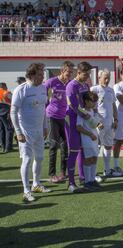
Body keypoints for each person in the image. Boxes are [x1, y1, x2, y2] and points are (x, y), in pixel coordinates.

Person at [10, 63, 51, 202]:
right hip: (25, 131)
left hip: (39, 131)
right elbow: (13, 112)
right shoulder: (21, 90)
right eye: (40, 74)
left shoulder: (43, 88)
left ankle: (36, 184)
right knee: (27, 159)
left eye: (43, 74)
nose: (42, 77)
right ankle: (26, 191)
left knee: (39, 158)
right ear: (31, 75)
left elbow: (43, 109)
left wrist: (45, 126)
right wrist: (18, 132)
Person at [44, 61, 74, 183]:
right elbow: (43, 96)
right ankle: (52, 174)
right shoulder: (51, 82)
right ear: (62, 71)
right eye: (68, 72)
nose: (70, 74)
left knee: (65, 146)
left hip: (63, 117)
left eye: (72, 72)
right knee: (53, 145)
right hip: (52, 116)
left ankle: (63, 172)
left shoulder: (68, 84)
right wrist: (46, 107)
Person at [65, 61, 92, 193]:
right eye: (85, 74)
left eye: (89, 74)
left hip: (83, 119)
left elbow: (88, 102)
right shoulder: (71, 85)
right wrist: (84, 114)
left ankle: (83, 178)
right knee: (74, 150)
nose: (87, 77)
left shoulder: (85, 85)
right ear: (78, 72)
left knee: (83, 149)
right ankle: (71, 183)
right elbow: (72, 105)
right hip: (72, 120)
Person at [91, 69, 118, 177]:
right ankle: (93, 173)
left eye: (108, 78)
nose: (107, 80)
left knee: (108, 146)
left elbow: (113, 105)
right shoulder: (94, 89)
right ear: (99, 78)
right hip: (99, 124)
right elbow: (91, 107)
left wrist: (116, 119)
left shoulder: (111, 90)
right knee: (96, 147)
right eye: (105, 78)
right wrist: (96, 122)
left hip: (109, 124)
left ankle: (107, 170)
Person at [76, 91, 102, 190]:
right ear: (86, 101)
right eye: (93, 101)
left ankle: (92, 180)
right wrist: (90, 134)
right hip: (87, 139)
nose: (94, 103)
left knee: (94, 158)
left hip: (94, 138)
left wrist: (99, 125)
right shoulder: (82, 112)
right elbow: (78, 127)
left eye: (95, 101)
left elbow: (95, 123)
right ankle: (87, 182)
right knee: (88, 159)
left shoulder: (93, 111)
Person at [0, 82, 13, 153]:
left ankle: (3, 146)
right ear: (4, 86)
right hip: (6, 112)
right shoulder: (7, 92)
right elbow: (14, 102)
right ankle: (8, 147)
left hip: (0, 113)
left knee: (1, 130)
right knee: (9, 129)